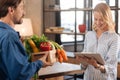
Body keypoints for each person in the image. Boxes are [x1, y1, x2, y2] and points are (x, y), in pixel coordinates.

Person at [0, 0, 52, 80]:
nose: (24, 13)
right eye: (21, 8)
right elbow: (20, 74)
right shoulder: (9, 36)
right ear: (11, 10)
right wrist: (40, 63)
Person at [76, 3, 120, 80]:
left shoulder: (114, 38)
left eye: (101, 20)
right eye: (96, 19)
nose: (98, 23)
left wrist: (97, 66)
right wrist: (82, 61)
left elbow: (110, 67)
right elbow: (83, 67)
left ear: (108, 18)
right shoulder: (89, 35)